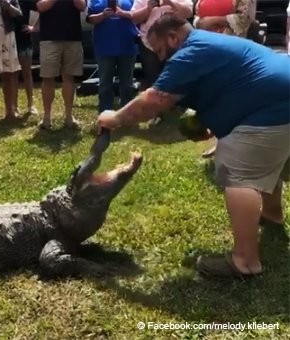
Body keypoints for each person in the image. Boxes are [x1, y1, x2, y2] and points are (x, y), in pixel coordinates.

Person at [97, 13, 290, 280]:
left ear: (173, 37)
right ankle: (272, 215)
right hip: (280, 97)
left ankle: (245, 262)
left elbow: (155, 100)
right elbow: (233, 86)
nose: (161, 58)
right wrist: (215, 124)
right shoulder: (209, 42)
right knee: (266, 158)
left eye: (160, 50)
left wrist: (115, 118)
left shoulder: (190, 52)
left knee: (238, 171)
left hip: (274, 108)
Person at [193, 0, 256, 158]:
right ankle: (220, 142)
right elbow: (197, 14)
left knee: (233, 99)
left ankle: (236, 145)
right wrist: (199, 22)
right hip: (208, 49)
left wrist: (213, 20)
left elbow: (246, 18)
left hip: (231, 51)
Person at [129, 0, 193, 126]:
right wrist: (148, 9)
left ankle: (180, 109)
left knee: (179, 75)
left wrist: (170, 3)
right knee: (155, 79)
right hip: (149, 44)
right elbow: (133, 18)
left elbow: (189, 12)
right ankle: (157, 113)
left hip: (176, 43)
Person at [36, 0, 86, 129]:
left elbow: (82, 6)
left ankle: (69, 116)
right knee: (47, 78)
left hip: (72, 38)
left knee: (69, 77)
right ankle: (46, 117)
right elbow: (40, 6)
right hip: (49, 39)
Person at [87, 0, 138, 114]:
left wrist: (124, 13)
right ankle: (105, 113)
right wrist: (103, 15)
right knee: (105, 83)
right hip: (104, 47)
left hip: (127, 45)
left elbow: (138, 16)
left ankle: (127, 113)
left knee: (127, 83)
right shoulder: (95, 1)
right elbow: (90, 19)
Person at [13, 0, 38, 116]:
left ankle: (30, 105)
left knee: (27, 73)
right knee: (13, 75)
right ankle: (14, 106)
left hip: (24, 41)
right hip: (9, 42)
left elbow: (42, 9)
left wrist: (34, 27)